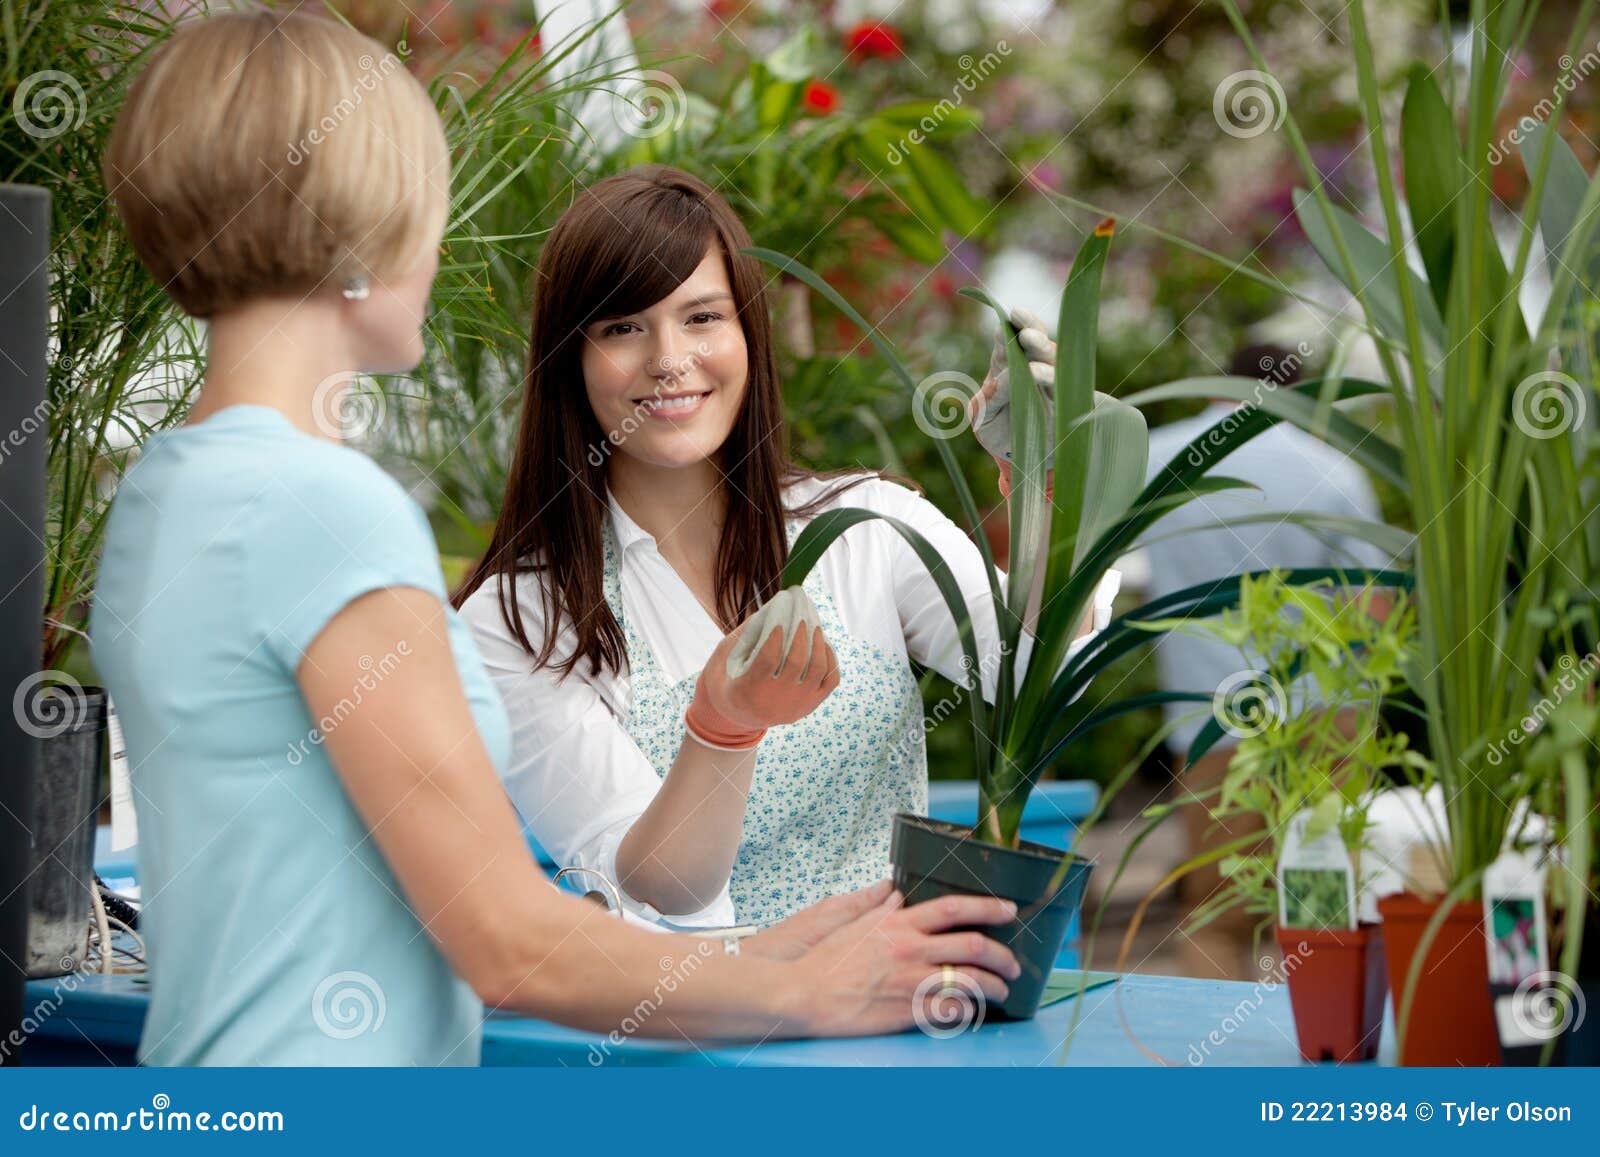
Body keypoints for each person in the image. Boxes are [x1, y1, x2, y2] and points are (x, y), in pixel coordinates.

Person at [87, 8, 1019, 1066]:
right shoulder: (327, 512)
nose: (438, 244)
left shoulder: (165, 492)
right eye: (431, 201)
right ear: (358, 223)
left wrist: (764, 957)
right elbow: (513, 945)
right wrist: (803, 991)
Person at [455, 170, 1119, 930]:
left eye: (701, 316)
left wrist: (1044, 487)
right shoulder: (524, 618)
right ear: (568, 361)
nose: (670, 358)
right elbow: (659, 888)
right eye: (621, 327)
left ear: (748, 333)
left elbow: (1034, 666)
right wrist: (722, 727)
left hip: (901, 1016)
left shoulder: (866, 525)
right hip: (698, 1034)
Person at [1139, 344, 1392, 980]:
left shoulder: (1155, 460)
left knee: (1218, 918)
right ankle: (1327, 1056)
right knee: (1322, 913)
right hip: (1325, 722)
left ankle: (1213, 1071)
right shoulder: (1335, 471)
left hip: (1212, 721)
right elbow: (1379, 612)